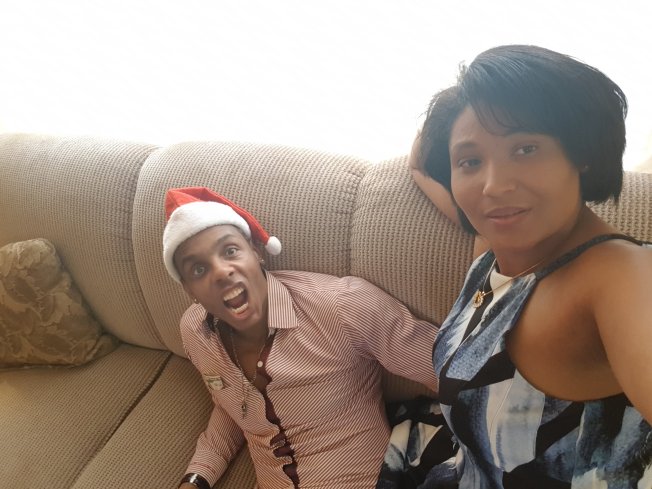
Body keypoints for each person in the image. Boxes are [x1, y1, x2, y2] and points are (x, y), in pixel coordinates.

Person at [413, 45, 652, 487]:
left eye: (526, 149)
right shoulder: (496, 251)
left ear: (581, 152)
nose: (494, 186)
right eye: (470, 161)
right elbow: (426, 167)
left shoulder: (619, 275)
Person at [162, 186, 439, 489]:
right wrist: (196, 478)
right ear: (188, 290)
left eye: (230, 251)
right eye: (198, 269)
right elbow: (233, 407)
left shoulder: (342, 307)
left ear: (256, 252)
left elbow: (453, 373)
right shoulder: (197, 334)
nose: (220, 272)